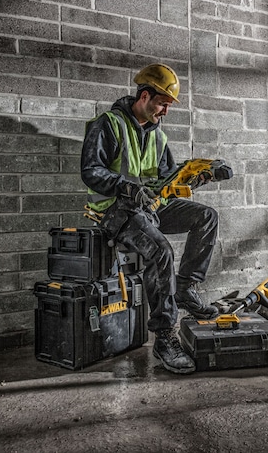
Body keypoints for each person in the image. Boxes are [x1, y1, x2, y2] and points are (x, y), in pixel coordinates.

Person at [80, 63, 219, 374]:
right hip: (117, 211)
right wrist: (128, 188)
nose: (165, 112)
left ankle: (185, 289)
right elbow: (91, 171)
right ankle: (165, 336)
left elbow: (168, 180)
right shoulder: (109, 125)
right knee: (160, 251)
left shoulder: (158, 137)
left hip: (148, 207)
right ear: (144, 96)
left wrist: (198, 177)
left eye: (168, 106)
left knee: (206, 216)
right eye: (162, 104)